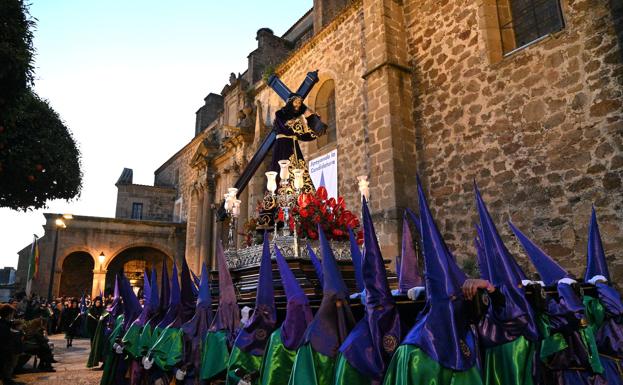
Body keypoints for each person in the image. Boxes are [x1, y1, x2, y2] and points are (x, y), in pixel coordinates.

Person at [270, 94, 327, 195]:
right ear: (290, 102)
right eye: (296, 102)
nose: (298, 105)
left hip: (294, 147)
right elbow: (286, 127)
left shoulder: (299, 118)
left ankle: (303, 199)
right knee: (282, 174)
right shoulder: (280, 114)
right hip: (282, 147)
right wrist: (306, 117)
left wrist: (316, 127)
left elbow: (304, 136)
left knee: (300, 175)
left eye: (300, 103)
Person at [0, 304, 23, 385]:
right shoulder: (3, 326)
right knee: (8, 365)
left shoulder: (4, 322)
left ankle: (7, 379)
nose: (13, 315)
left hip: (6, 349)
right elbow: (5, 339)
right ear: (9, 314)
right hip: (5, 350)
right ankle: (7, 380)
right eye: (12, 313)